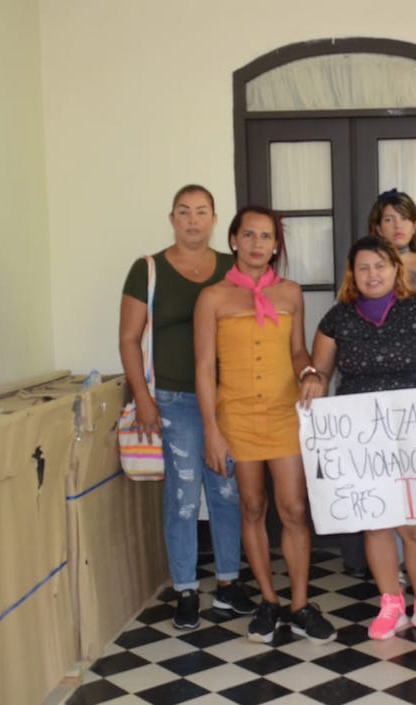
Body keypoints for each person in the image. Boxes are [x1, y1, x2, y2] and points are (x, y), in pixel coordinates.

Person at [299, 236, 416, 642]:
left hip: (410, 429)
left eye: (380, 266)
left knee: (415, 524)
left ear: (395, 270)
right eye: (364, 267)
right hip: (359, 434)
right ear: (352, 273)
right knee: (375, 522)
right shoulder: (337, 318)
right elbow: (319, 370)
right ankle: (391, 603)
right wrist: (314, 381)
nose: (373, 274)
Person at [193, 205, 336, 645]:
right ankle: (268, 602)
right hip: (236, 416)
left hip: (282, 414)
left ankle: (299, 605)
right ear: (233, 239)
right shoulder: (212, 298)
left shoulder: (290, 293)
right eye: (249, 235)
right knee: (252, 507)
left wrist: (310, 373)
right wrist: (212, 430)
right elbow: (203, 368)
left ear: (277, 246)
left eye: (267, 237)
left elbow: (297, 351)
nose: (258, 244)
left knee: (293, 510)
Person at [119, 185, 255, 630]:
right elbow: (129, 338)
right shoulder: (148, 269)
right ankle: (185, 590)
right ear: (172, 218)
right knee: (181, 497)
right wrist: (142, 396)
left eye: (201, 212)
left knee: (227, 491)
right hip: (174, 400)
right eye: (184, 212)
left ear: (214, 218)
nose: (193, 220)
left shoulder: (232, 268)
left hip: (226, 398)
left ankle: (230, 584)